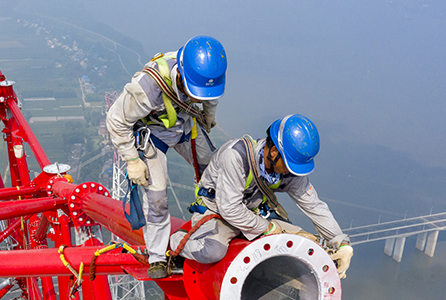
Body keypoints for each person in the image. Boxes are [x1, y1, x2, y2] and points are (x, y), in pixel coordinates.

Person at [169, 114, 354, 278]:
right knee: (211, 252)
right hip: (219, 212)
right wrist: (267, 228)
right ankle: (178, 240)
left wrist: (341, 243)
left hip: (253, 212)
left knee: (303, 245)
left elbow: (314, 205)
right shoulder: (236, 156)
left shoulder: (289, 171)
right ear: (274, 152)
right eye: (289, 166)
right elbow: (229, 209)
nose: (292, 173)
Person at [106, 35, 227, 279]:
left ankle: (215, 223)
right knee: (157, 196)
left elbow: (210, 94)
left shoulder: (205, 74)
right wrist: (132, 159)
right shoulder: (148, 87)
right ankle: (158, 256)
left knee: (215, 171)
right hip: (154, 133)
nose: (198, 95)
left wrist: (208, 113)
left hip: (184, 125)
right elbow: (116, 120)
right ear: (181, 75)